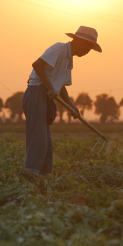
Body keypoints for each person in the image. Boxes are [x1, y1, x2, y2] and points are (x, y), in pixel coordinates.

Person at [22, 26, 102, 176]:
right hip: (37, 92)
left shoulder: (69, 60)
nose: (87, 52)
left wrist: (72, 106)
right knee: (38, 141)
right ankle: (30, 178)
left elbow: (61, 86)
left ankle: (43, 178)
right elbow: (37, 65)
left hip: (45, 95)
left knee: (47, 144)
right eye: (88, 48)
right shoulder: (59, 48)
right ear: (79, 42)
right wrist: (50, 87)